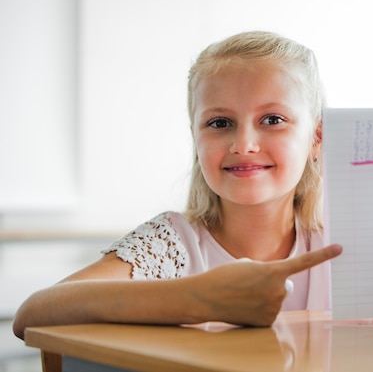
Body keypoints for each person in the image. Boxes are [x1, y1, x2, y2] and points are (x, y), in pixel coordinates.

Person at [13, 31, 342, 340]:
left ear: (317, 137)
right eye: (219, 123)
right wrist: (201, 299)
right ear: (195, 137)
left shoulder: (342, 244)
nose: (244, 144)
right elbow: (32, 314)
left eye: (272, 120)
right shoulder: (172, 244)